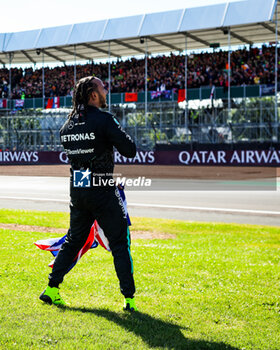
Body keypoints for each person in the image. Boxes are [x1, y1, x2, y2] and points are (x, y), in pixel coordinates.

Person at [39, 76, 138, 311]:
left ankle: (52, 288)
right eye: (103, 88)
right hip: (102, 189)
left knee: (74, 240)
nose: (106, 91)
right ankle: (129, 300)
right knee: (120, 243)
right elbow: (130, 150)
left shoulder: (67, 126)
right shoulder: (104, 120)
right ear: (93, 95)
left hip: (78, 188)